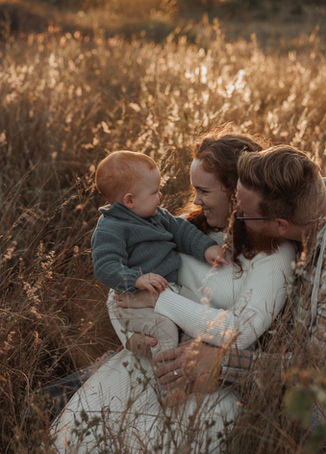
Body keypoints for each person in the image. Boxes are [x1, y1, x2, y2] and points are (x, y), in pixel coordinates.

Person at [50, 133, 295, 453]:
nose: (195, 201)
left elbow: (239, 330)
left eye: (204, 191)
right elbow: (119, 294)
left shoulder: (273, 254)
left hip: (203, 381)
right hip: (146, 356)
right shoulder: (178, 226)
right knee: (77, 439)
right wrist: (133, 339)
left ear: (237, 193)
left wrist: (163, 301)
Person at [157, 144, 326, 437]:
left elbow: (323, 372)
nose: (235, 217)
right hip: (294, 353)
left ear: (280, 225)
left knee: (314, 425)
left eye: (241, 214)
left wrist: (220, 363)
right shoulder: (299, 193)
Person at [91, 150, 225, 354]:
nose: (160, 196)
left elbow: (182, 230)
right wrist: (136, 279)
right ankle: (167, 377)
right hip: (136, 303)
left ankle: (191, 367)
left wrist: (207, 248)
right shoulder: (112, 228)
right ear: (129, 201)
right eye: (154, 192)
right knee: (165, 332)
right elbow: (105, 266)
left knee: (199, 316)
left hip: (168, 290)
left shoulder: (156, 214)